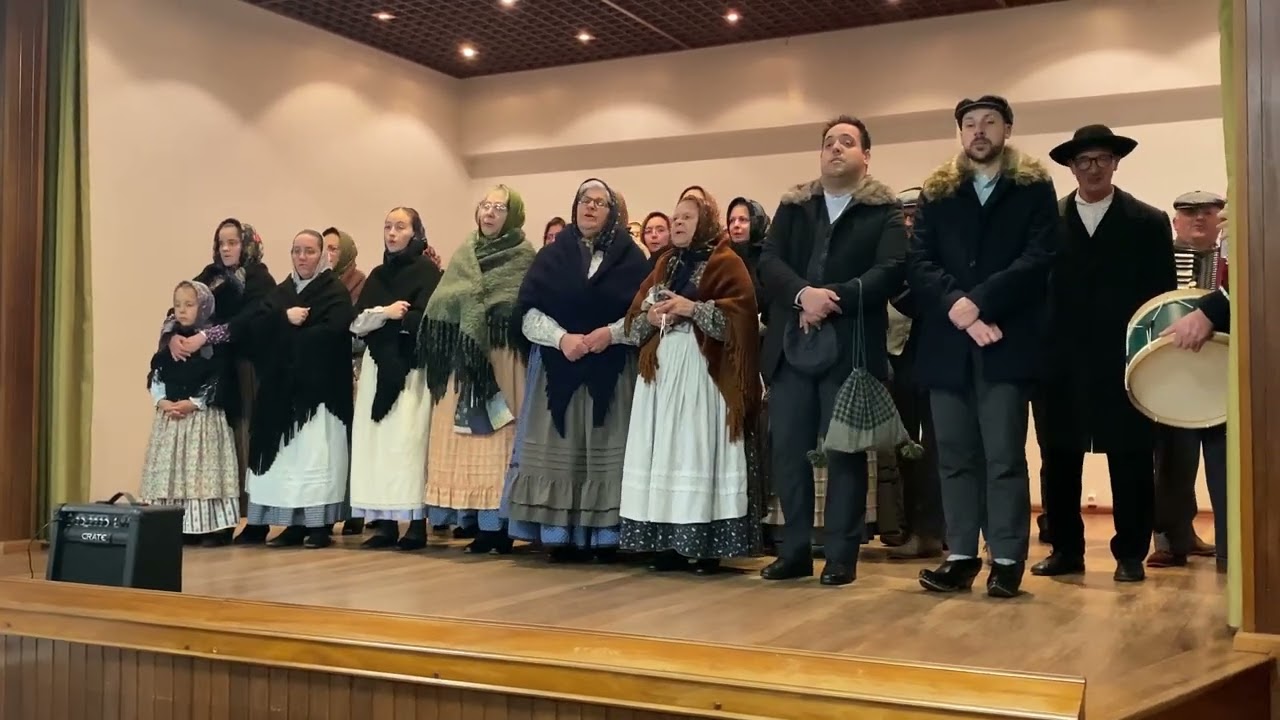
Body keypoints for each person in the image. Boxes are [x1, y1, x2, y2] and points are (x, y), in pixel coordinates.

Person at [908, 96, 1058, 598]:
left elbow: (1039, 256)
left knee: (1003, 455)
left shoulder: (1032, 187)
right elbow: (919, 261)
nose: (979, 131)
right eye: (969, 123)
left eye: (989, 122)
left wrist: (980, 303)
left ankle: (1007, 558)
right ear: (960, 132)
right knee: (952, 455)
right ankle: (960, 556)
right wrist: (957, 305)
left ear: (1007, 129)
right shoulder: (937, 190)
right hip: (947, 342)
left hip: (1006, 338)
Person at [756, 115, 906, 586]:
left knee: (844, 454)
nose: (835, 148)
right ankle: (794, 551)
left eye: (847, 141)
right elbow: (769, 262)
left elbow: (892, 270)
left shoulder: (883, 211)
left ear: (866, 156)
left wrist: (830, 298)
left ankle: (842, 555)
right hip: (790, 348)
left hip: (849, 350)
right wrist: (803, 296)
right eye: (828, 143)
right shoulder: (793, 207)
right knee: (789, 453)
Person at [1031, 125, 1176, 583]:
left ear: (1115, 163)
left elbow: (1162, 297)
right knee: (1059, 456)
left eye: (1101, 159)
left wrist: (1150, 357)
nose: (1093, 168)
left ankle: (1130, 553)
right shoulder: (1047, 222)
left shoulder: (1148, 222)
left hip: (1124, 359)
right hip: (1059, 359)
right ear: (1071, 168)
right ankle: (1065, 549)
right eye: (1084, 161)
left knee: (1131, 456)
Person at [507, 178, 650, 562]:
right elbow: (527, 311)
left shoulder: (632, 259)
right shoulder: (551, 256)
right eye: (585, 200)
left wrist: (611, 334)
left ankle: (604, 538)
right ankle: (561, 535)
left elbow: (644, 314)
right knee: (561, 450)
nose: (590, 207)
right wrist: (561, 338)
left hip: (611, 370)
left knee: (605, 450)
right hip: (559, 370)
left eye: (600, 203)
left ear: (613, 213)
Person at [619, 194, 762, 574]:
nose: (678, 222)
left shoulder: (726, 262)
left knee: (696, 451)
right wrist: (650, 316)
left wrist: (692, 308)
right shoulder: (664, 264)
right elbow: (634, 323)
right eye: (676, 217)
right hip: (663, 373)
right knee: (664, 454)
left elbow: (741, 322)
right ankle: (667, 542)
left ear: (707, 222)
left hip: (704, 371)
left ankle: (705, 545)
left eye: (687, 217)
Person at [419, 185, 536, 554]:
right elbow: (444, 300)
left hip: (501, 361)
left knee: (498, 442)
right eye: (486, 205)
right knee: (466, 445)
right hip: (465, 361)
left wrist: (484, 311)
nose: (490, 213)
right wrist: (469, 311)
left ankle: (498, 528)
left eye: (499, 207)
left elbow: (525, 305)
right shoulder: (464, 254)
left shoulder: (525, 257)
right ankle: (473, 522)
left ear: (513, 215)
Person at [235, 230, 356, 548]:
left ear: (323, 255)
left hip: (318, 396)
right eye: (296, 251)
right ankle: (269, 523)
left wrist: (289, 337)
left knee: (313, 460)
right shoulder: (281, 293)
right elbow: (255, 330)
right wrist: (283, 319)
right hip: (279, 393)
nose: (302, 257)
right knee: (277, 463)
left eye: (310, 251)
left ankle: (315, 525)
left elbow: (332, 333)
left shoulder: (334, 292)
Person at [348, 207, 444, 549]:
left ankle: (416, 524)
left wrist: (397, 321)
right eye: (388, 226)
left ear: (415, 233)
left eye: (400, 227)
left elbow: (427, 317)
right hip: (377, 366)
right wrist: (386, 314)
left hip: (410, 370)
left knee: (408, 444)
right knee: (378, 444)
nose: (392, 233)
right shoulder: (377, 275)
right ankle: (384, 523)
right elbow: (356, 323)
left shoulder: (427, 271)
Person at [1150, 192, 1229, 572]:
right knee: (1171, 462)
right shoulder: (1158, 259)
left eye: (1208, 212)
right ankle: (1170, 540)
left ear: (1220, 219)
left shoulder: (1231, 260)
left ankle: (1230, 545)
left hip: (1221, 377)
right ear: (1175, 221)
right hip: (1172, 375)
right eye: (1190, 212)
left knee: (1224, 462)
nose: (1199, 218)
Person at [139, 280, 240, 546]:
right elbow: (157, 374)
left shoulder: (214, 343)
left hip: (202, 420)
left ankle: (213, 527)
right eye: (178, 305)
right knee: (173, 471)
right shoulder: (170, 342)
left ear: (203, 306)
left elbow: (220, 378)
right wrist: (162, 402)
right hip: (172, 419)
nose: (182, 310)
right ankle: (178, 524)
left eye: (189, 304)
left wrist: (194, 402)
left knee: (200, 471)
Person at [884, 186, 946, 559]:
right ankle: (909, 526)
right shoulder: (890, 254)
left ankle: (935, 529)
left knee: (938, 446)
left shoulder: (935, 251)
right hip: (897, 357)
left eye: (914, 215)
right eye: (904, 215)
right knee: (904, 445)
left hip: (935, 354)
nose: (908, 222)